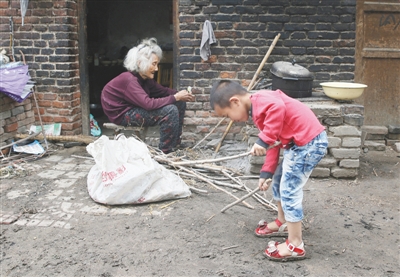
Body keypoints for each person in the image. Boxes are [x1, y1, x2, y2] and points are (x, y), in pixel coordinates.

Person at [210, 80, 328, 261]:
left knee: (289, 190)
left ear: (235, 102)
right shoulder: (260, 111)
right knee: (279, 180)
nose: (231, 120)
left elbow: (277, 111)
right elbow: (273, 143)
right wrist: (266, 173)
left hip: (308, 144)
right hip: (298, 145)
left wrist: (263, 139)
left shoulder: (263, 100)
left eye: (227, 115)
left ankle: (296, 244)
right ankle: (283, 223)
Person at [101, 38, 194, 154]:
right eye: (154, 64)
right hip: (122, 113)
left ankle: (175, 144)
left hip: (132, 107)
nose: (156, 69)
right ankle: (166, 152)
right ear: (140, 63)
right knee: (170, 110)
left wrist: (180, 94)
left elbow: (163, 91)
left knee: (180, 103)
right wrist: (176, 97)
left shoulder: (145, 79)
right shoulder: (129, 80)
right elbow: (148, 104)